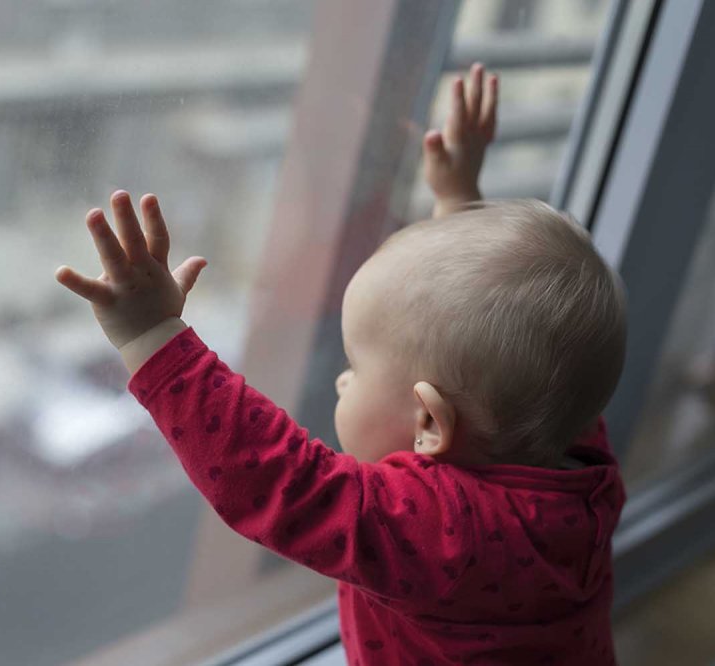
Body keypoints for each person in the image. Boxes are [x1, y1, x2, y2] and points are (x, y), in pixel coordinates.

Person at [54, 63, 627, 665]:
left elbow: (279, 480)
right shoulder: (577, 455)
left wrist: (155, 338)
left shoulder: (449, 533)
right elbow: (511, 341)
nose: (341, 377)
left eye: (356, 365)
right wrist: (459, 201)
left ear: (430, 424)